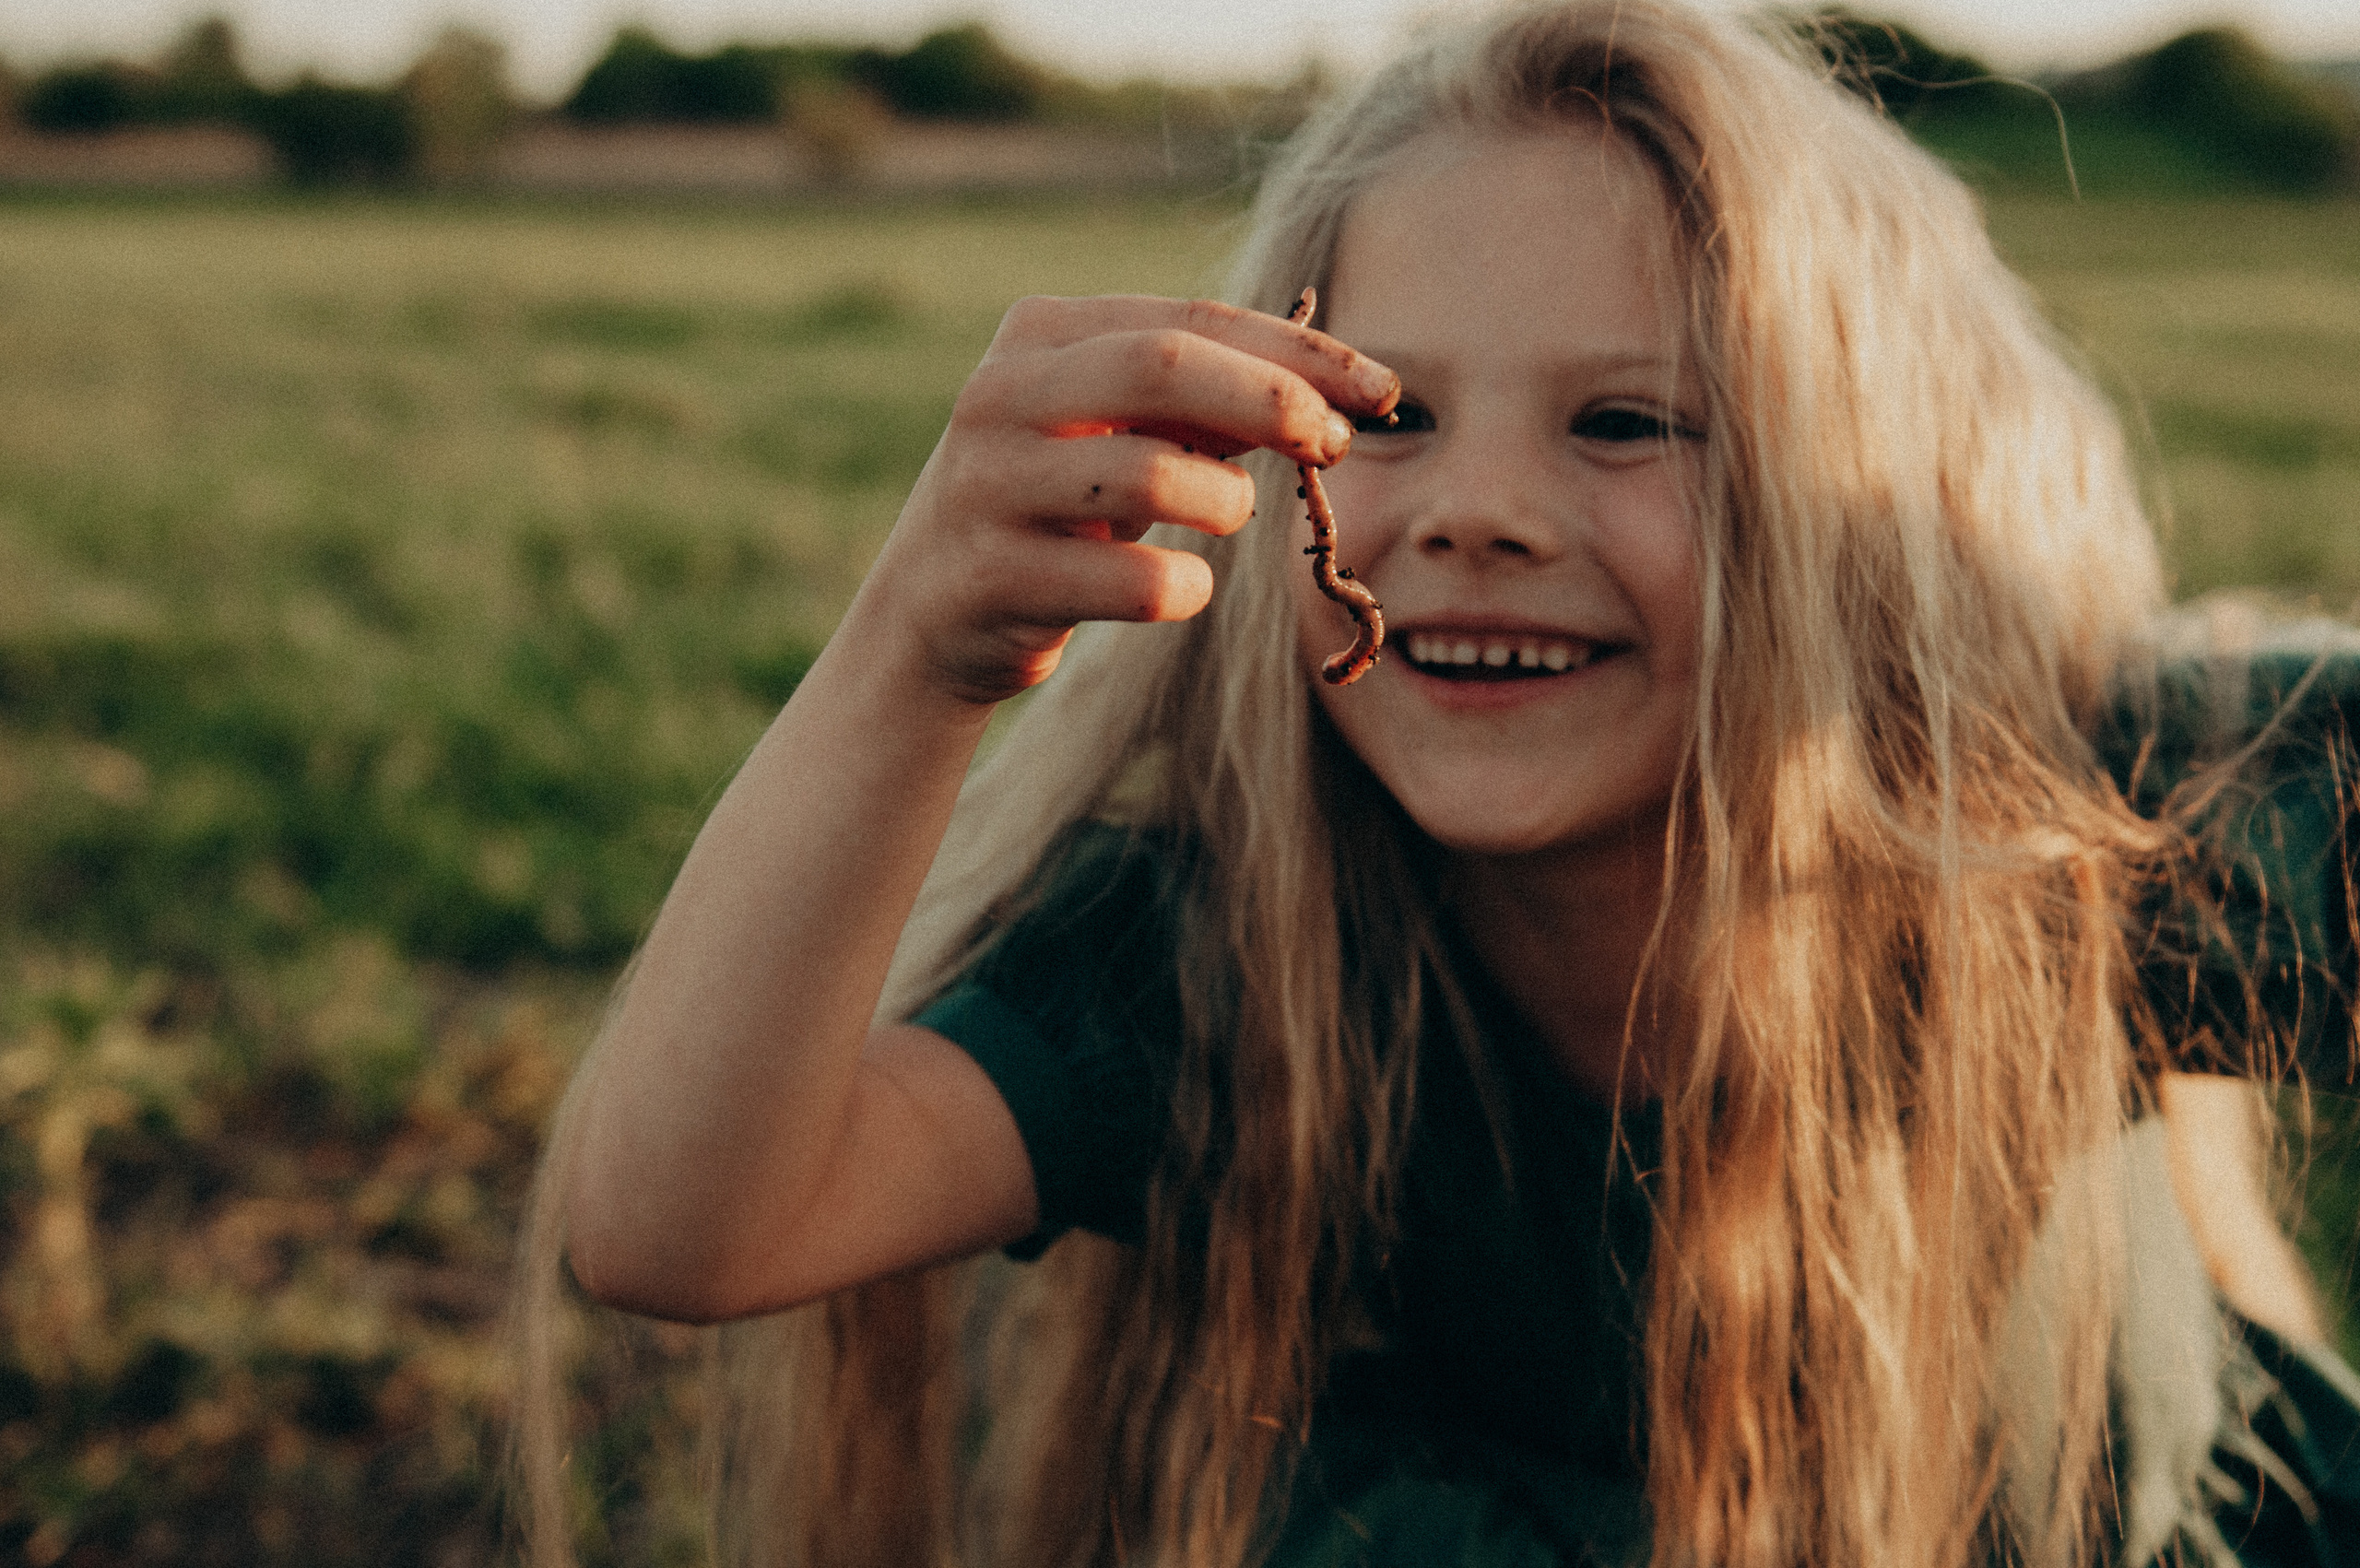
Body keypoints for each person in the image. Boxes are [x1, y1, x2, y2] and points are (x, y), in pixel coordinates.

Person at [515, 4, 2360, 1564]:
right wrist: (914, 651)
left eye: (1624, 420)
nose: (1469, 510)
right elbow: (688, 1222)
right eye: (1380, 415)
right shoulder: (1237, 936)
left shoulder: (2081, 825)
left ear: (1856, 516)